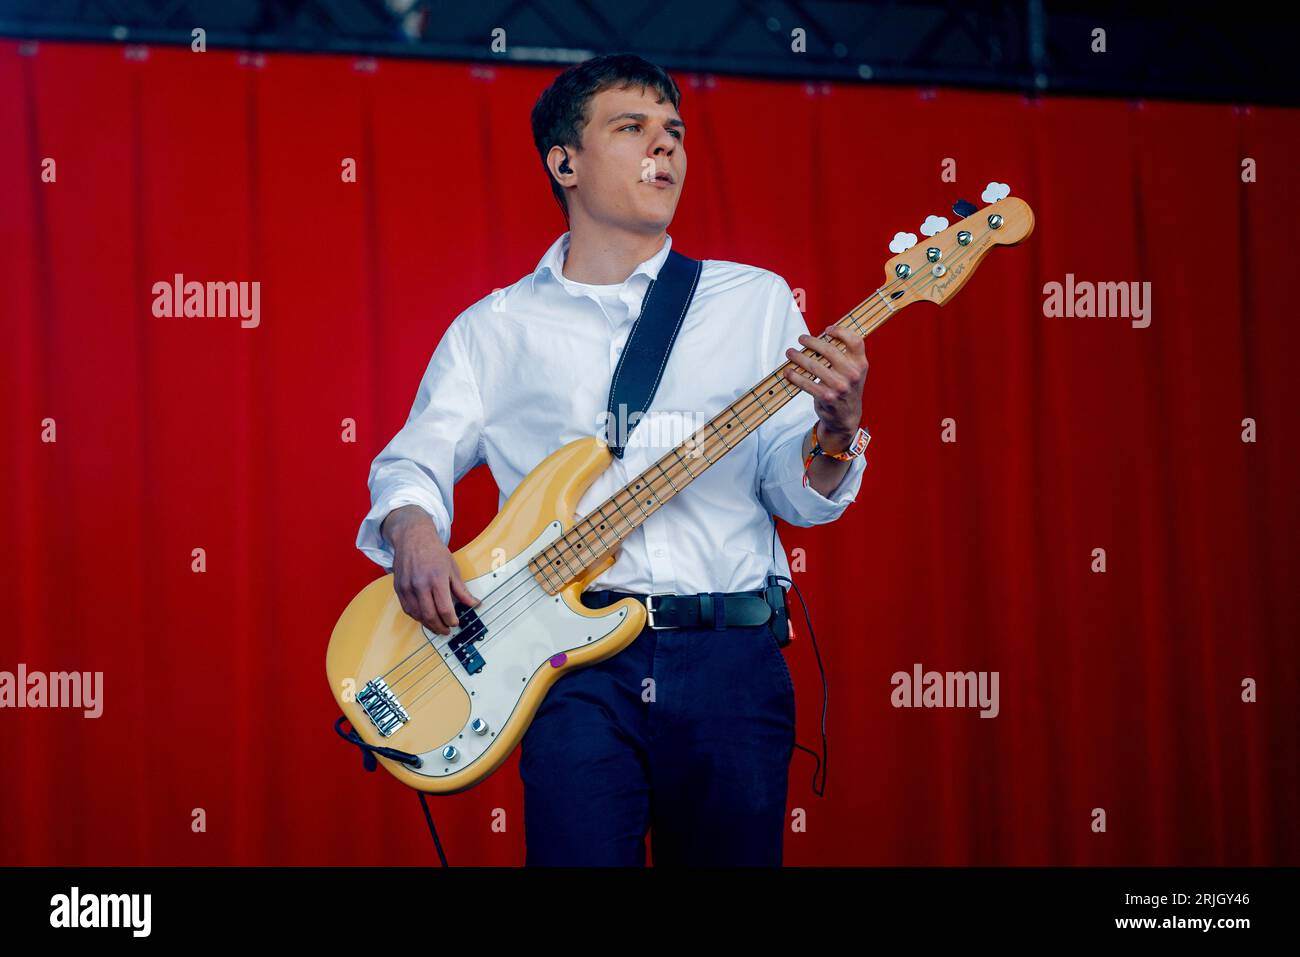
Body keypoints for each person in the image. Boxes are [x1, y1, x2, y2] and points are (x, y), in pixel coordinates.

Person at [356, 53, 869, 866]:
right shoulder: (495, 329)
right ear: (564, 162)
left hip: (728, 660)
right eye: (631, 129)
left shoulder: (754, 300)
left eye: (673, 133)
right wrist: (414, 528)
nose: (661, 149)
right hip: (571, 674)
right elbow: (410, 464)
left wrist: (836, 431)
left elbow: (793, 490)